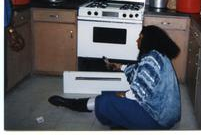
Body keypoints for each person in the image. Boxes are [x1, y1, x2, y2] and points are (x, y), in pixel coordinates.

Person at [48, 25, 181, 130]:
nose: (137, 40)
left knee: (106, 101)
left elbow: (137, 94)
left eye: (140, 37)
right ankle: (120, 120)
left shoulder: (151, 59)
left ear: (148, 40)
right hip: (166, 115)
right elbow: (139, 72)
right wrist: (120, 67)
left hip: (157, 120)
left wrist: (123, 95)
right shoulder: (159, 56)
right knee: (111, 95)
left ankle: (72, 104)